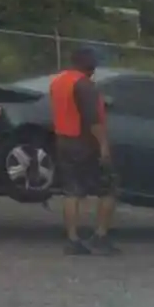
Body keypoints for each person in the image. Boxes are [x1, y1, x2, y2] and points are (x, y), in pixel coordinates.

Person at [50, 46, 119, 255]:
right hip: (84, 142)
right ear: (91, 66)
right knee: (109, 188)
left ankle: (72, 239)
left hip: (63, 139)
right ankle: (100, 236)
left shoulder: (59, 81)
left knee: (71, 191)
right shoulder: (85, 86)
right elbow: (93, 121)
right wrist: (104, 147)